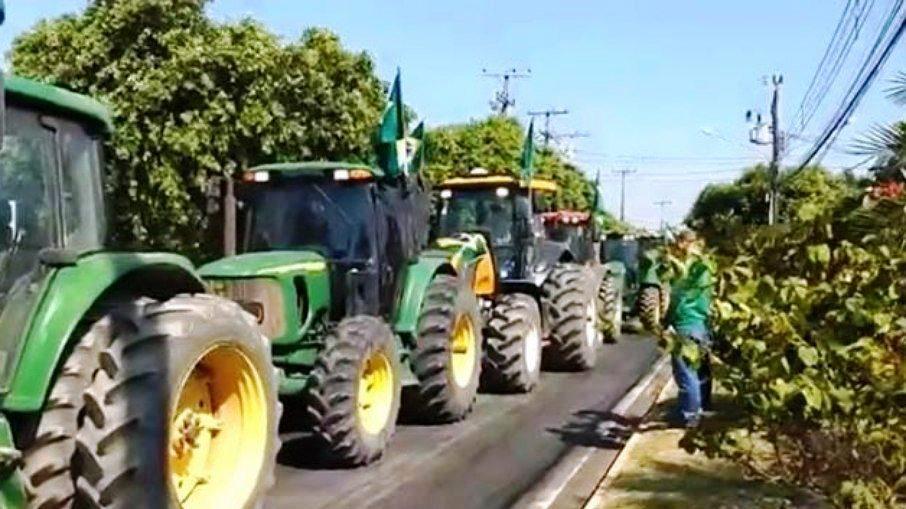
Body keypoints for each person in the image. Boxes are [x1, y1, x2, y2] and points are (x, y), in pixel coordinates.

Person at [664, 229, 714, 428]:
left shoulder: (687, 270)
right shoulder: (706, 268)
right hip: (702, 323)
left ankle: (690, 417)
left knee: (687, 373)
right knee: (702, 369)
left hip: (685, 325)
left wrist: (667, 320)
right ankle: (703, 406)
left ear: (685, 244)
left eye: (679, 244)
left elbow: (678, 299)